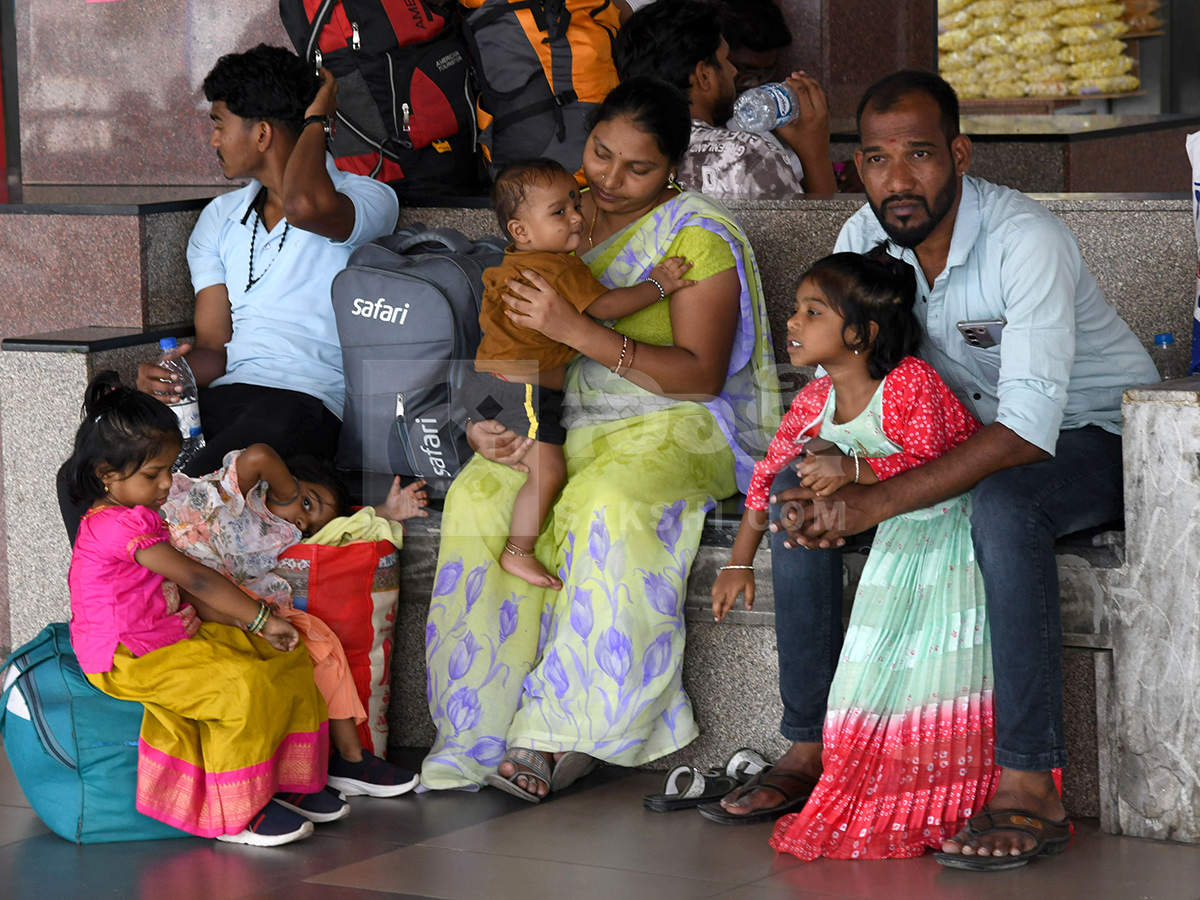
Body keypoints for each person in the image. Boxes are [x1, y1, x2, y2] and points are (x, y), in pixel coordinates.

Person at [722, 71, 1159, 871]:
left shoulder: (1025, 239)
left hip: (1091, 436)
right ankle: (813, 744)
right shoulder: (862, 238)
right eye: (878, 159)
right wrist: (834, 458)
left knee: (1003, 506)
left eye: (919, 155)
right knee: (792, 491)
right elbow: (839, 382)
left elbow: (1027, 430)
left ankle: (1032, 781)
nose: (898, 179)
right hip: (945, 440)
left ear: (958, 152)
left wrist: (872, 498)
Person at [420, 78, 780, 800]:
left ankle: (567, 733)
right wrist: (489, 416)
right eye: (601, 154)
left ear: (673, 166)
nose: (609, 181)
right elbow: (507, 336)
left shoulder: (696, 239)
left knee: (605, 502)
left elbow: (699, 377)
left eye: (637, 167)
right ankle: (477, 725)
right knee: (479, 495)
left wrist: (581, 332)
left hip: (677, 423)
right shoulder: (552, 212)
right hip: (560, 416)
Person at [711, 251, 1000, 859]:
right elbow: (764, 479)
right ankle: (809, 738)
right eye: (794, 310)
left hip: (941, 520)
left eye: (812, 312)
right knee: (792, 491)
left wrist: (853, 466)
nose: (793, 322)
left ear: (861, 334)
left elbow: (937, 461)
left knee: (808, 485)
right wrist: (738, 562)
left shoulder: (909, 383)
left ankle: (887, 756)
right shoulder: (814, 397)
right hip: (876, 523)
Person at [64, 373, 333, 846]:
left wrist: (247, 625)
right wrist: (256, 617)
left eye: (170, 469)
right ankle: (239, 811)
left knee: (285, 658)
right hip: (128, 657)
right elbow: (197, 577)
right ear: (107, 474)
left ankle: (288, 781)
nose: (169, 483)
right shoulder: (114, 527)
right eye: (154, 475)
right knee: (240, 687)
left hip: (169, 634)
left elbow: (181, 590)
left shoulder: (140, 513)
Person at [136, 44, 399, 476]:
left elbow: (305, 206)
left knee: (197, 481)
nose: (213, 139)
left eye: (219, 124)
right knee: (97, 458)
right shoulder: (219, 218)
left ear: (261, 135)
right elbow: (214, 348)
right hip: (231, 395)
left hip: (312, 403)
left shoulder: (368, 198)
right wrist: (176, 372)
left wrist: (317, 118)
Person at [464, 157, 693, 589]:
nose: (575, 216)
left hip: (485, 382)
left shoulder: (510, 263)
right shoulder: (559, 269)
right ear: (521, 231)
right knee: (548, 471)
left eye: (574, 202)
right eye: (559, 212)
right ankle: (519, 551)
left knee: (514, 459)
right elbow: (605, 309)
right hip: (526, 390)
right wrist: (659, 285)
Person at [162, 444, 427, 798]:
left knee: (320, 642)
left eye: (309, 522)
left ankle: (351, 759)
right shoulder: (241, 492)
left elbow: (342, 530)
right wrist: (291, 492)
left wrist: (386, 511)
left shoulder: (283, 533)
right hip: (177, 586)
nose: (302, 520)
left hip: (230, 599)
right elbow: (260, 456)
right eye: (307, 503)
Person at [613, 0, 836, 200]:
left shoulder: (615, 151)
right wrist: (815, 156)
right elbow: (812, 241)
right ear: (703, 75)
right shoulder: (745, 155)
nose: (733, 72)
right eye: (725, 60)